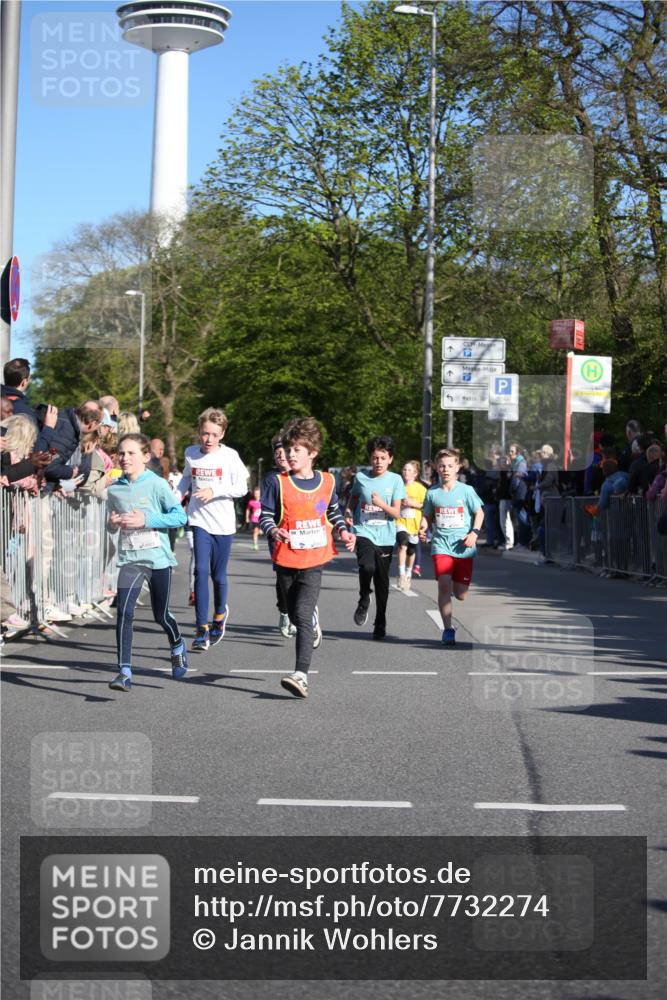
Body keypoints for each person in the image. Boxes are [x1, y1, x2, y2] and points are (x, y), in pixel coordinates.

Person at [260, 416, 355, 698]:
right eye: (287, 450)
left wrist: (343, 530)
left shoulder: (327, 482)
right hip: (285, 559)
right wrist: (274, 530)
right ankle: (305, 621)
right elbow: (265, 515)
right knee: (290, 611)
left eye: (296, 450)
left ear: (312, 453)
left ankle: (300, 675)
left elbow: (330, 510)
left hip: (314, 559)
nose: (290, 455)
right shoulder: (278, 483)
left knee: (301, 615)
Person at [106, 433, 188, 691]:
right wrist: (111, 523)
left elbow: (180, 517)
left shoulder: (157, 484)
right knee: (125, 613)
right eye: (121, 453)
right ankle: (124, 672)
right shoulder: (115, 488)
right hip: (131, 558)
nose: (124, 457)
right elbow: (110, 525)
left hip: (157, 558)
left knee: (160, 615)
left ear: (145, 456)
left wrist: (147, 520)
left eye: (131, 453)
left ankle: (176, 643)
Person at [177, 407, 249, 652]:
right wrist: (175, 498)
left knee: (218, 576)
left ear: (222, 434)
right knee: (200, 571)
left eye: (214, 434)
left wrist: (214, 491)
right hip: (198, 520)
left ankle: (219, 616)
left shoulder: (229, 456)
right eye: (205, 433)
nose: (208, 439)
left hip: (223, 523)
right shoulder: (190, 453)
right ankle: (201, 629)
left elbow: (241, 488)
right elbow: (187, 478)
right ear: (199, 431)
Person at [420, 448, 484, 646]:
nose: (445, 469)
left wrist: (474, 533)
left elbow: (479, 513)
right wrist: (423, 526)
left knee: (461, 595)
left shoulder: (466, 491)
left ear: (457, 467)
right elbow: (427, 515)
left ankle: (453, 594)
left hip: (463, 547)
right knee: (444, 584)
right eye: (442, 466)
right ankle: (448, 629)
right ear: (436, 468)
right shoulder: (432, 493)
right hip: (441, 545)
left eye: (450, 466)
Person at [345, 435, 405, 640]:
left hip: (386, 537)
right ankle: (364, 598)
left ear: (390, 459)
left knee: (382, 582)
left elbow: (397, 513)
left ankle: (380, 621)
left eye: (382, 457)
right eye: (374, 457)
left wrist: (381, 504)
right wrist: (347, 512)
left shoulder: (396, 480)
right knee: (367, 566)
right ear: (370, 458)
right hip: (364, 531)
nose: (378, 461)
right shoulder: (361, 478)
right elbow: (353, 498)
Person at [260, 433, 297, 638]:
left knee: (302, 576)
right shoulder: (270, 478)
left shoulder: (303, 476)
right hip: (278, 535)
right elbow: (265, 511)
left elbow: (320, 503)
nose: (281, 456)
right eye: (277, 452)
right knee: (284, 577)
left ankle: (300, 612)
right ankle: (284, 611)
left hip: (301, 534)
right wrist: (273, 530)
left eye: (285, 451)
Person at [395, 460, 427, 591]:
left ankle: (408, 574)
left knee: (411, 550)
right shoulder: (398, 486)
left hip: (415, 523)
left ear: (415, 473)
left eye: (408, 470)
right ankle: (402, 574)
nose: (405, 472)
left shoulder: (420, 488)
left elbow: (426, 506)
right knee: (402, 544)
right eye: (404, 470)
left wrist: (413, 504)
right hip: (401, 521)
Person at [245, 486, 262, 550]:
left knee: (260, 532)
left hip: (262, 519)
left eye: (258, 493)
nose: (256, 495)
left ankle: (260, 531)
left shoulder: (263, 501)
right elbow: (248, 509)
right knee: (255, 532)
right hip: (255, 519)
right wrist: (247, 517)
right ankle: (255, 545)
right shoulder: (251, 502)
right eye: (255, 494)